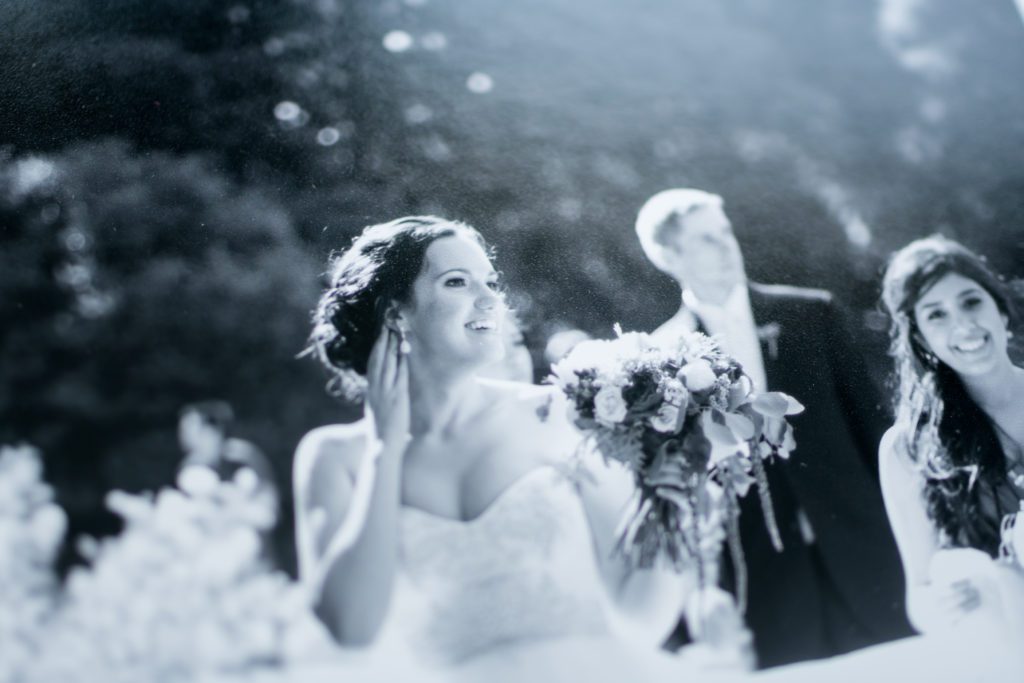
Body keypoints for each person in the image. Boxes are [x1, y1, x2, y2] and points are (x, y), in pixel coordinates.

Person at [290, 215, 1019, 683]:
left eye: (490, 281)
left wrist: (677, 498)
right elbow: (351, 628)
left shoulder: (559, 416)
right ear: (395, 310)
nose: (489, 300)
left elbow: (639, 615)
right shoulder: (335, 459)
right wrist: (387, 448)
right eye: (457, 282)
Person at [634, 188, 913, 666]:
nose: (727, 246)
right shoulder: (659, 359)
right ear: (669, 255)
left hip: (866, 547)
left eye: (726, 232)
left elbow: (875, 429)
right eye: (706, 239)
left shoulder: (812, 313)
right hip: (767, 578)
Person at [878, 235, 1024, 636]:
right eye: (936, 314)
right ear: (921, 339)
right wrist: (946, 603)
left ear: (1002, 311)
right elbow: (920, 597)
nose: (964, 325)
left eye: (971, 301)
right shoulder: (907, 450)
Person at [178, 400, 280, 558]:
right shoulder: (189, 469)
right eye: (184, 432)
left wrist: (228, 499)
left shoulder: (246, 458)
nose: (186, 439)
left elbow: (268, 516)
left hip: (254, 554)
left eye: (193, 431)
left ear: (214, 431)